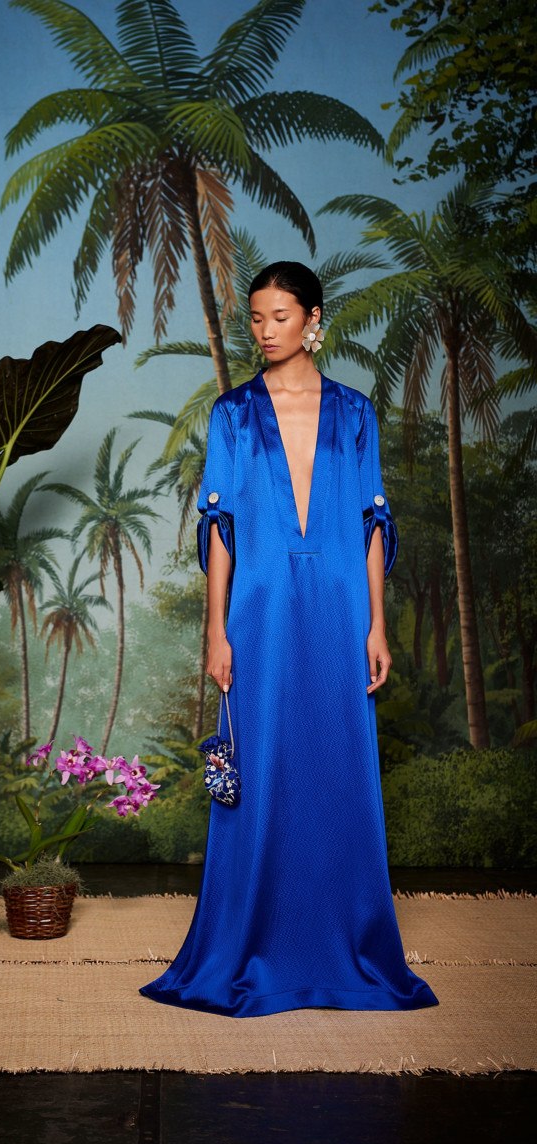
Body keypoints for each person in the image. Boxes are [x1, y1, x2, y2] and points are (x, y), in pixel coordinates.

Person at [140, 261, 438, 1017]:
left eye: (279, 317)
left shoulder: (356, 413)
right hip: (261, 607)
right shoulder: (232, 414)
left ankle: (344, 944)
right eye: (256, 318)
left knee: (338, 763)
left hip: (339, 608)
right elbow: (221, 528)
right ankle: (249, 944)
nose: (265, 331)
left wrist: (376, 623)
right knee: (262, 763)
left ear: (313, 320)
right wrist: (216, 628)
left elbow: (372, 523)